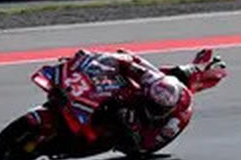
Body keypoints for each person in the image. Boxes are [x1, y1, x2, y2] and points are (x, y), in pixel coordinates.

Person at [70, 48, 225, 154]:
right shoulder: (152, 80)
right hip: (158, 86)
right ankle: (206, 67)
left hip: (144, 131)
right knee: (182, 72)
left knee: (132, 145)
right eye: (151, 103)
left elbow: (148, 146)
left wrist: (134, 131)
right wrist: (105, 58)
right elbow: (132, 60)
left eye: (155, 107)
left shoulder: (176, 120)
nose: (151, 108)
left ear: (167, 110)